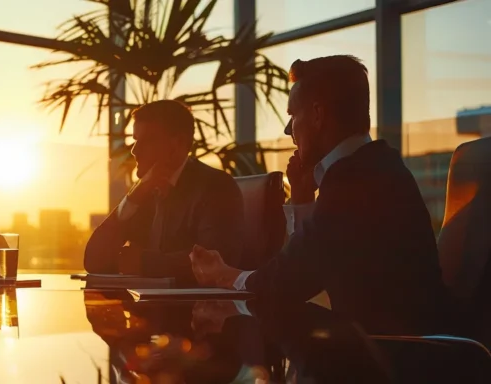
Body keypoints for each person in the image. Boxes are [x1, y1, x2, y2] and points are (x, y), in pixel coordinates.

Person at [188, 55, 449, 335]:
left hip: (393, 359)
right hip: (375, 348)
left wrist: (226, 276)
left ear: (317, 114)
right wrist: (301, 197)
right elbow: (307, 263)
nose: (288, 130)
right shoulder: (371, 167)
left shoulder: (357, 180)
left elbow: (287, 283)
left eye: (292, 115)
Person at [84, 100, 245, 286]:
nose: (135, 150)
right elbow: (94, 260)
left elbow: (214, 262)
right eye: (135, 140)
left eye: (145, 141)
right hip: (149, 311)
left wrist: (143, 263)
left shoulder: (216, 187)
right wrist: (132, 198)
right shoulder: (146, 191)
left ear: (177, 144)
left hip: (195, 311)